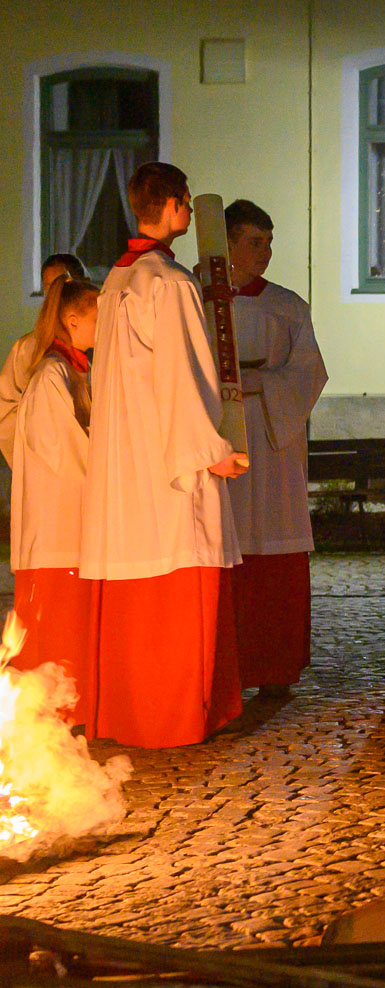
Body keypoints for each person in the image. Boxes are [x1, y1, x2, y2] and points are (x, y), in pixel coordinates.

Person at [79, 161, 246, 749]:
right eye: (187, 204)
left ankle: (128, 710)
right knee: (179, 566)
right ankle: (174, 712)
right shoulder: (169, 284)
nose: (191, 213)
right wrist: (213, 448)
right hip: (168, 459)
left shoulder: (119, 279)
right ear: (175, 207)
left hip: (126, 455)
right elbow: (183, 375)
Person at [220, 199, 328, 696]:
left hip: (273, 444)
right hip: (222, 443)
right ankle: (227, 665)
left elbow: (310, 373)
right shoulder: (201, 303)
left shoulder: (287, 306)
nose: (264, 253)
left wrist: (263, 382)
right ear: (227, 243)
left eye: (268, 243)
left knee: (273, 550)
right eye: (253, 242)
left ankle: (275, 669)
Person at [7, 277, 100, 726]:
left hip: (70, 525)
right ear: (73, 319)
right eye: (99, 317)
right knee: (60, 626)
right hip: (60, 528)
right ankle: (55, 715)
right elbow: (68, 455)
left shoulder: (74, 370)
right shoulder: (51, 377)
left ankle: (72, 710)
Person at [1, 254, 88, 466]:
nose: (55, 293)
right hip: (46, 461)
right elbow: (7, 408)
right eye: (49, 286)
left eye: (63, 283)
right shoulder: (27, 349)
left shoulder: (92, 342)